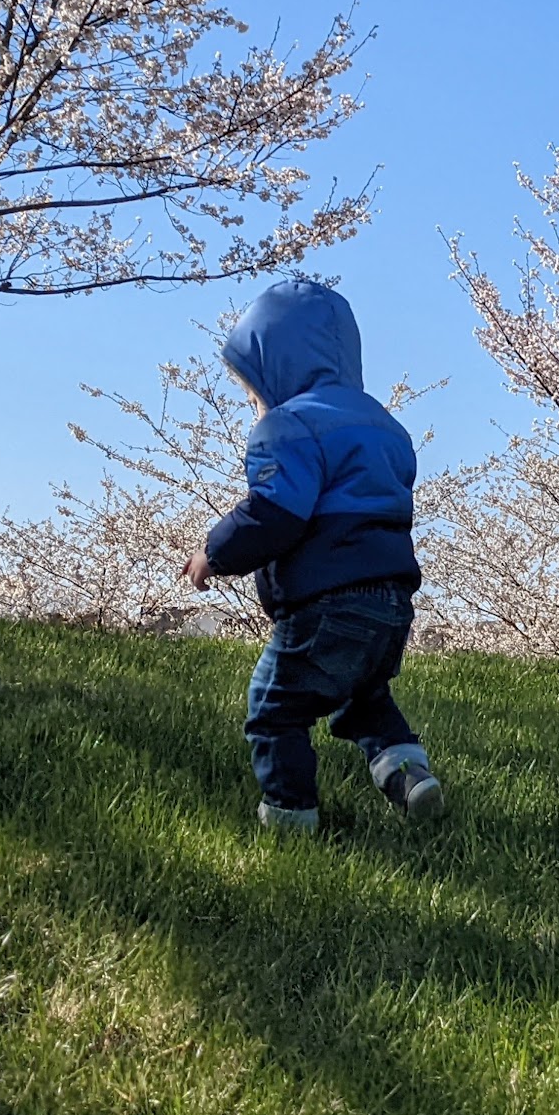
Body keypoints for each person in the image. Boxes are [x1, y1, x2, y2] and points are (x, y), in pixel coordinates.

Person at [183, 279, 442, 836]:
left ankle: (290, 816)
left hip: (326, 604)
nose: (253, 402)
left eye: (251, 389)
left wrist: (215, 552)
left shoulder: (287, 425)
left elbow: (277, 513)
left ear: (277, 370)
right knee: (365, 698)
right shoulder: (385, 427)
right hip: (394, 603)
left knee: (275, 711)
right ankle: (409, 774)